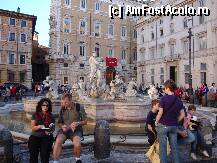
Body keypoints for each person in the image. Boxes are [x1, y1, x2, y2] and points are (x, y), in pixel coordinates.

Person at [53, 93, 87, 163]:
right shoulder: (62, 108)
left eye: (66, 102)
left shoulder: (79, 107)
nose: (64, 104)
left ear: (71, 100)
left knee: (77, 143)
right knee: (58, 141)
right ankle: (55, 161)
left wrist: (78, 123)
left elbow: (85, 121)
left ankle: (78, 159)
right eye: (63, 102)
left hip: (76, 130)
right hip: (64, 130)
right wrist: (62, 126)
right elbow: (59, 122)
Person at [155, 79, 183, 163]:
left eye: (164, 88)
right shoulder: (178, 100)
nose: (164, 89)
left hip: (163, 125)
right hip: (174, 126)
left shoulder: (163, 99)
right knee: (174, 147)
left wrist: (156, 121)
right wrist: (175, 121)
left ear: (167, 88)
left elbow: (160, 113)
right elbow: (182, 115)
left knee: (163, 148)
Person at [28, 98, 55, 163]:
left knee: (45, 155)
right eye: (43, 105)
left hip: (46, 137)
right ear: (40, 105)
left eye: (47, 105)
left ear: (49, 107)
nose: (45, 107)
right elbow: (32, 127)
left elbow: (52, 128)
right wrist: (39, 126)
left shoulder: (51, 116)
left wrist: (49, 132)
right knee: (33, 155)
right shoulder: (35, 114)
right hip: (35, 136)